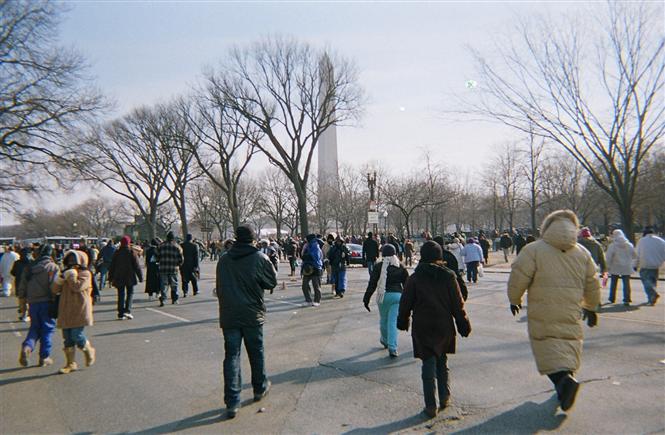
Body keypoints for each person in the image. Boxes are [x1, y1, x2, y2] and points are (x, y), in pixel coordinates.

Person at [508, 210, 600, 411]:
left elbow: (518, 276)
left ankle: (562, 382)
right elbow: (593, 282)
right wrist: (592, 307)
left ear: (547, 226)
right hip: (572, 309)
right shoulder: (582, 253)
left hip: (543, 308)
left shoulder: (534, 250)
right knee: (568, 344)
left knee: (546, 347)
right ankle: (566, 384)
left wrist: (514, 299)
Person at [397, 241, 471, 418]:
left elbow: (405, 303)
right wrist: (463, 324)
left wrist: (403, 320)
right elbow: (457, 304)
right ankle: (445, 397)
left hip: (423, 325)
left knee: (427, 363)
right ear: (439, 257)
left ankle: (431, 405)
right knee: (442, 362)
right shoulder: (449, 276)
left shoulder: (415, 278)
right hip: (444, 325)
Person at [216, 225, 277, 419]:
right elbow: (271, 282)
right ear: (252, 239)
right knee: (256, 351)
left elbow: (220, 287)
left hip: (230, 313)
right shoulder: (259, 258)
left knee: (231, 356)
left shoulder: (224, 260)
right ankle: (259, 387)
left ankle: (232, 400)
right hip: (252, 312)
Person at [52, 250, 96, 374]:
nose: (71, 263)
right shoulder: (65, 273)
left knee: (77, 335)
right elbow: (54, 290)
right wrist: (59, 279)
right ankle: (70, 363)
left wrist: (71, 275)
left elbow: (77, 287)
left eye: (74, 260)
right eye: (69, 260)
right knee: (67, 339)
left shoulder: (85, 273)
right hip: (65, 310)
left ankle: (88, 350)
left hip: (79, 309)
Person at [363, 244, 409, 357]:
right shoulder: (400, 266)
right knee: (392, 322)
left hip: (382, 297)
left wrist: (366, 299)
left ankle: (384, 339)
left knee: (384, 320)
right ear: (395, 254)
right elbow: (407, 285)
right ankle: (392, 347)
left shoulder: (378, 267)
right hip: (397, 297)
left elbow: (372, 284)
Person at [17, 245, 58, 367]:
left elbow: (22, 287)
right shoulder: (52, 267)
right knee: (47, 329)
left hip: (32, 303)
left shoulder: (30, 267)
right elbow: (54, 287)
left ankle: (27, 347)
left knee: (34, 328)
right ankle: (44, 357)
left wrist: (22, 303)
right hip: (47, 302)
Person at [108, 236, 143, 320]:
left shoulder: (117, 252)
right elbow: (137, 266)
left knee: (121, 294)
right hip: (129, 276)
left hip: (119, 276)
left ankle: (120, 313)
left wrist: (110, 277)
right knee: (130, 293)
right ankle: (127, 310)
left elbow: (112, 266)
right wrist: (140, 276)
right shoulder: (132, 252)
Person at [605, 229, 636, 306]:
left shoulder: (612, 246)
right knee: (626, 284)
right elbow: (634, 255)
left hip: (615, 266)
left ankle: (612, 298)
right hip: (627, 267)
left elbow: (608, 257)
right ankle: (627, 299)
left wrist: (607, 266)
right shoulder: (629, 245)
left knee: (613, 283)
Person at [635, 227, 665, 306]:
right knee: (653, 282)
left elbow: (637, 254)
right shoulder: (661, 241)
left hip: (645, 264)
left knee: (646, 281)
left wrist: (635, 265)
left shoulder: (642, 241)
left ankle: (653, 294)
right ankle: (651, 299)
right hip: (656, 265)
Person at [157, 231, 184, 306]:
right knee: (174, 284)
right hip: (173, 268)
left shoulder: (161, 246)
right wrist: (178, 264)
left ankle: (163, 299)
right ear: (173, 238)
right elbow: (181, 259)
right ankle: (174, 299)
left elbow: (157, 256)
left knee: (164, 284)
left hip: (163, 268)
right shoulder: (177, 246)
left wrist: (160, 261)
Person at [301, 234, 323, 307]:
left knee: (316, 285)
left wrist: (307, 256)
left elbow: (315, 256)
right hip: (307, 267)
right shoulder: (307, 245)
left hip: (315, 267)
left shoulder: (315, 245)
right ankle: (308, 300)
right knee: (304, 285)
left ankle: (317, 300)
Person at [11, 247, 32, 322]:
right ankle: (27, 314)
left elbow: (12, 272)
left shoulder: (17, 263)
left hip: (19, 283)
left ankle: (23, 314)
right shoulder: (32, 262)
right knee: (28, 300)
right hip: (30, 284)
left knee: (21, 300)